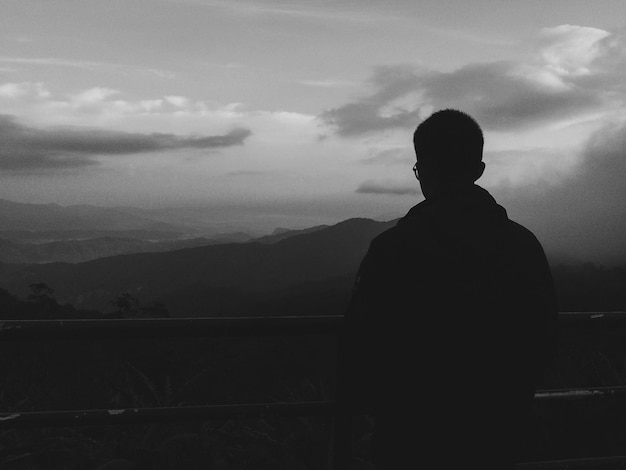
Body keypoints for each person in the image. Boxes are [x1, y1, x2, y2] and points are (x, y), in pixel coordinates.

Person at [335, 109, 558, 469]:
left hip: (410, 442)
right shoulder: (523, 245)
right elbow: (545, 341)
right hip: (500, 439)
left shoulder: (393, 249)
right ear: (479, 170)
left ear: (422, 169)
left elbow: (359, 353)